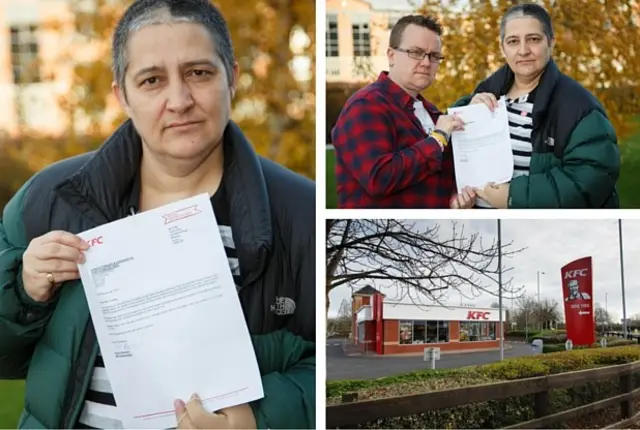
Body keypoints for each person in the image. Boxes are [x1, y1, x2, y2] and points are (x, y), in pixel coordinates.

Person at [0, 0, 315, 429]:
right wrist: (23, 290)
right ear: (122, 96)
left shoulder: (303, 214)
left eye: (199, 73)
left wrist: (255, 420)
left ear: (233, 78)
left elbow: (331, 363)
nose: (179, 100)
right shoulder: (50, 197)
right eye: (151, 80)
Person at [452, 3, 620, 209]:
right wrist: (457, 200)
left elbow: (590, 179)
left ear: (551, 42)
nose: (523, 51)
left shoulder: (580, 108)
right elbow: (447, 167)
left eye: (533, 39)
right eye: (513, 41)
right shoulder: (479, 100)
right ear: (502, 47)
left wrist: (514, 197)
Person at [331, 14, 476, 209]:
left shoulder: (433, 113)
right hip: (378, 233)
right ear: (391, 56)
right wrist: (438, 138)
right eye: (416, 52)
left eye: (434, 56)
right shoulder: (366, 105)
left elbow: (438, 182)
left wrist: (455, 199)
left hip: (434, 234)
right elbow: (378, 178)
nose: (426, 63)